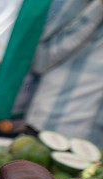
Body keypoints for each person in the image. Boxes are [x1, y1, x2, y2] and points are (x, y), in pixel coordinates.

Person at [24, 0, 103, 145]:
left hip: (93, 138)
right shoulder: (79, 5)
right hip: (53, 125)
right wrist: (96, 10)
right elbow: (39, 60)